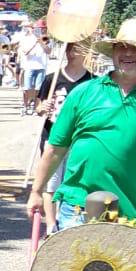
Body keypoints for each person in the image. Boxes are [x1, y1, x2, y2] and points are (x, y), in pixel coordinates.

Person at [27, 18, 136, 230]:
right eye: (122, 47)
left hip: (127, 211)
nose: (128, 53)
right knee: (72, 263)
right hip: (77, 206)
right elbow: (55, 148)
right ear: (113, 52)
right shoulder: (84, 92)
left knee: (119, 265)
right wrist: (36, 191)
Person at [31, 39, 92, 234]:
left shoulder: (92, 81)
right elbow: (39, 107)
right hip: (53, 137)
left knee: (73, 182)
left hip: (79, 140)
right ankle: (51, 225)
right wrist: (43, 108)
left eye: (77, 50)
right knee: (51, 182)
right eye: (69, 49)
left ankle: (69, 223)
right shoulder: (52, 78)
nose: (72, 53)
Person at [17, 22, 48, 115]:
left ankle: (35, 107)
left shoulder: (46, 39)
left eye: (42, 28)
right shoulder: (26, 39)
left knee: (38, 89)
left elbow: (49, 51)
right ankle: (25, 106)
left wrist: (42, 43)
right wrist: (35, 43)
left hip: (41, 67)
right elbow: (25, 51)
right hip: (29, 66)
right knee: (27, 88)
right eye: (37, 28)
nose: (40, 30)